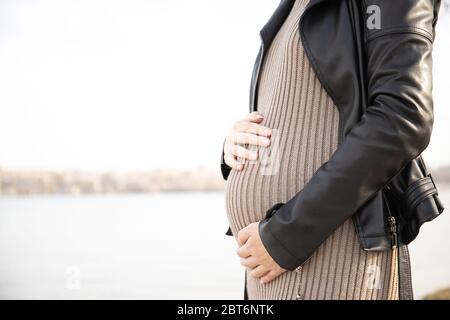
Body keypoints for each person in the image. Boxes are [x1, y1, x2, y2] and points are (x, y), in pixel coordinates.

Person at [220, 0, 442, 300]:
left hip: (330, 263)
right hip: (271, 267)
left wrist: (286, 237)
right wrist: (236, 146)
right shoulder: (291, 8)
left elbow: (402, 117)